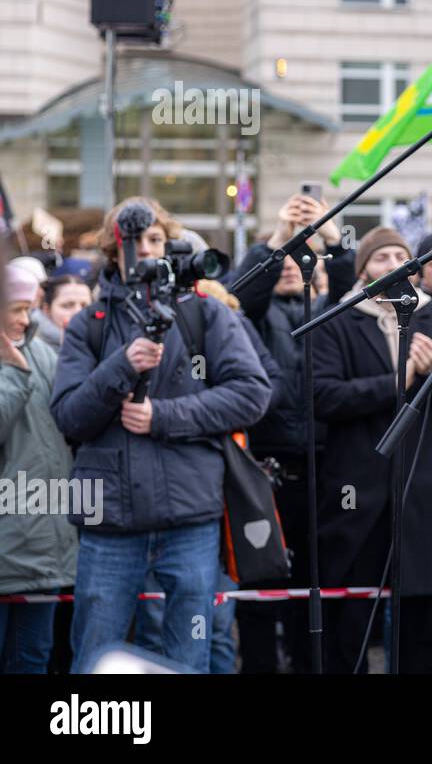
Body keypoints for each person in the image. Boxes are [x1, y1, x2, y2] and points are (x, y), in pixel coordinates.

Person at [50, 197, 272, 673]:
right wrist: (121, 365)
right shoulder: (88, 326)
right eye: (135, 241)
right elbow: (69, 417)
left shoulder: (205, 313)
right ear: (115, 252)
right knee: (95, 649)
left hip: (189, 518)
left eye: (157, 239)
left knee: (189, 651)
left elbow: (253, 394)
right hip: (110, 523)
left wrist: (163, 417)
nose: (148, 251)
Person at [312, 227, 432, 673]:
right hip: (357, 497)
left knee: (425, 627)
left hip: (425, 495)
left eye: (400, 256)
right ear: (364, 268)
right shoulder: (338, 320)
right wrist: (400, 378)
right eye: (381, 257)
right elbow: (324, 398)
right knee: (348, 626)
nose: (392, 264)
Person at [228, 192, 354, 673]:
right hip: (264, 471)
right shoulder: (250, 318)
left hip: (323, 467)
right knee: (260, 586)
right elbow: (242, 293)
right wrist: (279, 240)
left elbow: (346, 280)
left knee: (313, 588)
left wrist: (329, 233)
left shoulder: (327, 311)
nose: (289, 267)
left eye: (301, 261)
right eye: (281, 262)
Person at [0, 265, 78, 673]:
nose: (24, 320)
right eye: (15, 309)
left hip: (43, 550)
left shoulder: (41, 350)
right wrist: (13, 376)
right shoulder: (18, 359)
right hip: (7, 550)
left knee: (32, 659)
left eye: (29, 309)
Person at [33, 275, 92, 350]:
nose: (78, 312)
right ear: (47, 310)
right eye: (67, 305)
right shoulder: (34, 348)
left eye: (85, 306)